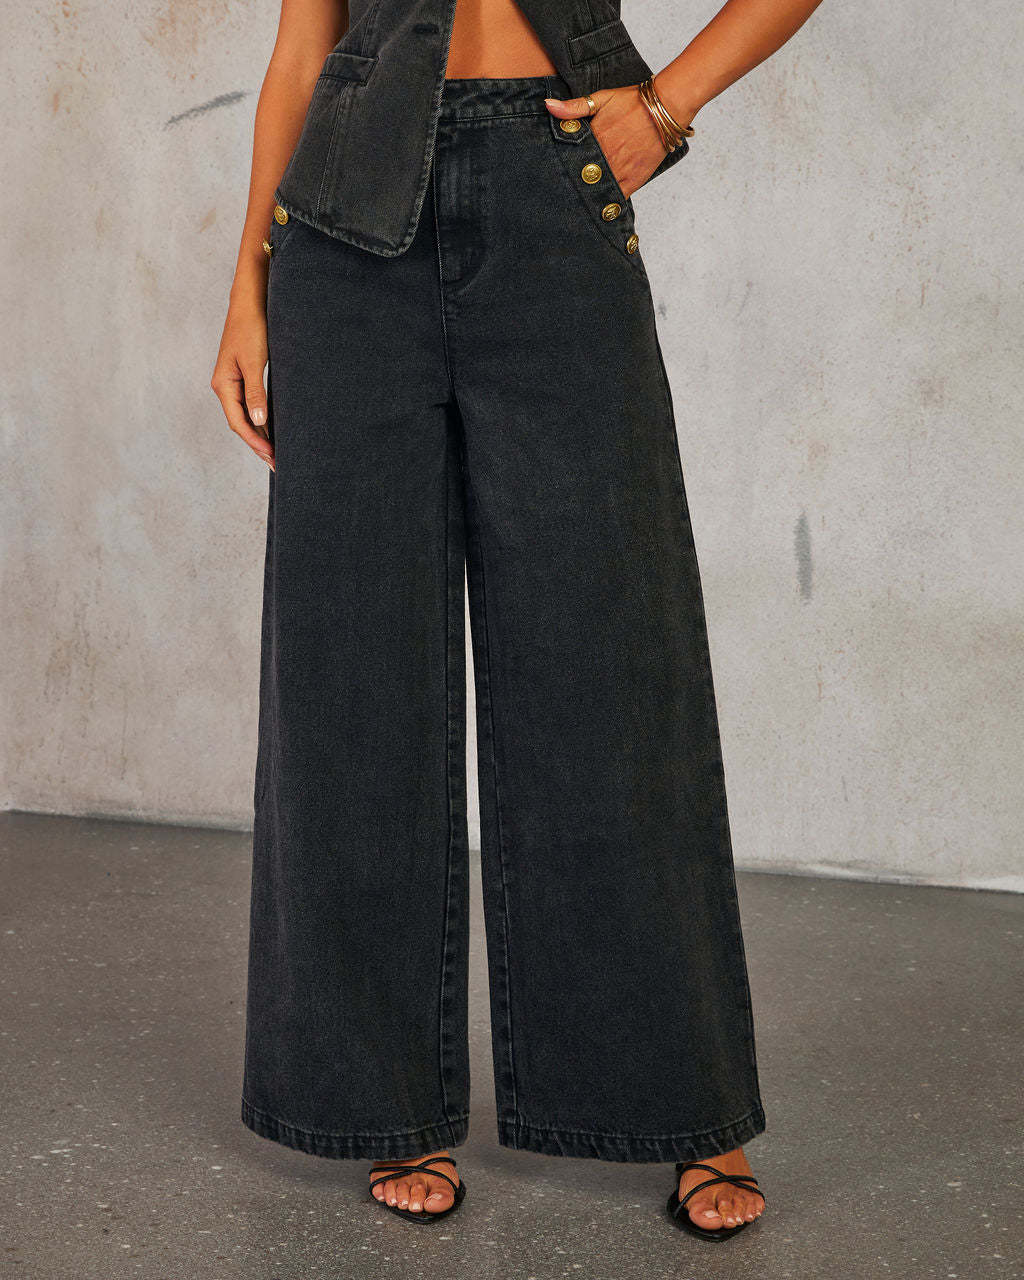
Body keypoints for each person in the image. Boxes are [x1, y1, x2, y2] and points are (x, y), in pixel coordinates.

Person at [211, 0, 823, 1243]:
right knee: (352, 675)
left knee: (613, 664)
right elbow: (303, 46)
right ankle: (385, 1095)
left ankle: (684, 1101)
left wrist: (664, 108)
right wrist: (246, 284)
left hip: (555, 187)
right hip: (343, 228)